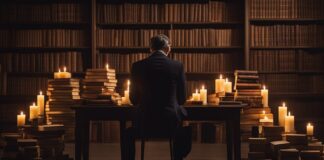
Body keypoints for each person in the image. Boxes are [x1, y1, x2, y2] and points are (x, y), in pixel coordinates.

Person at [123, 34, 191, 160]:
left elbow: (133, 99)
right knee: (185, 130)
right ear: (167, 48)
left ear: (151, 49)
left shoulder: (137, 66)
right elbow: (182, 99)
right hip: (170, 123)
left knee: (127, 134)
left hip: (144, 123)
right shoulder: (177, 66)